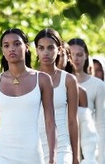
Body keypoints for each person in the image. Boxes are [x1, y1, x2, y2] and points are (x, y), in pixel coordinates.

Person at [0, 28, 56, 164]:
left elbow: (50, 123)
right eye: (6, 45)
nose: (12, 49)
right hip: (1, 154)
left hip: (31, 154)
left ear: (27, 47)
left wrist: (52, 158)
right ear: (2, 50)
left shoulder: (42, 79)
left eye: (17, 44)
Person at [34, 28, 79, 164]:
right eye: (41, 48)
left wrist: (76, 156)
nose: (45, 52)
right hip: (34, 147)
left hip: (62, 148)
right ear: (36, 50)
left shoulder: (69, 80)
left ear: (59, 49)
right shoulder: (29, 79)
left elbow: (73, 120)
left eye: (50, 48)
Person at [68, 38, 105, 164]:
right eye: (71, 54)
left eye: (79, 54)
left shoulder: (97, 85)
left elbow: (101, 125)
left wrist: (101, 158)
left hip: (88, 148)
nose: (75, 58)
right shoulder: (60, 82)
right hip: (64, 146)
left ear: (86, 55)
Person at [57, 41, 98, 164]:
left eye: (62, 55)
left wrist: (84, 159)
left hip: (68, 152)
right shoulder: (38, 85)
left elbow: (86, 131)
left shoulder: (80, 92)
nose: (58, 59)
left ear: (68, 58)